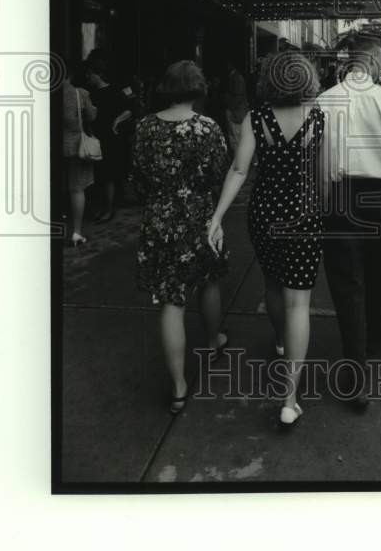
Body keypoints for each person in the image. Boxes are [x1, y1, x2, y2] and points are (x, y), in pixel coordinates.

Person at [208, 51, 325, 427]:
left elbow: (240, 169)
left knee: (273, 282)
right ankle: (290, 399)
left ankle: (279, 340)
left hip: (265, 213)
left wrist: (217, 215)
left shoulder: (255, 118)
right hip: (305, 214)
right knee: (300, 304)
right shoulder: (320, 117)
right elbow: (328, 172)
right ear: (307, 78)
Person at [317, 35, 381, 410]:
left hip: (343, 199)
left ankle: (355, 371)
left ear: (349, 62)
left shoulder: (325, 101)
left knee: (347, 281)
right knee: (380, 270)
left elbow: (322, 164)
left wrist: (326, 202)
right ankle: (374, 338)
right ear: (374, 64)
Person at [133, 61, 230, 414]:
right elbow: (221, 174)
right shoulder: (207, 128)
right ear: (199, 89)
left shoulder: (144, 127)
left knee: (170, 299)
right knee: (209, 281)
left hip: (160, 217)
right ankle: (213, 340)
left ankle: (177, 386)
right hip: (200, 216)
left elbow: (138, 177)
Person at [84, 56, 134, 221]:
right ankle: (103, 207)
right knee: (100, 175)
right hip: (97, 138)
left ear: (98, 74)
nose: (88, 76)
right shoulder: (90, 93)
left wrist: (116, 122)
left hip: (111, 139)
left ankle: (109, 209)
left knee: (109, 175)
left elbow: (129, 110)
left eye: (90, 74)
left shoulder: (114, 91)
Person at [61, 68, 98, 246]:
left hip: (53, 146)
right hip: (76, 146)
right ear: (70, 74)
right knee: (76, 188)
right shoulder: (79, 94)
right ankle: (76, 232)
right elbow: (91, 116)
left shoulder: (47, 93)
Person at [222, 60, 249, 154]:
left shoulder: (237, 77)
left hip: (236, 112)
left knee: (237, 137)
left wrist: (231, 108)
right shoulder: (234, 76)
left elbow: (239, 96)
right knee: (234, 137)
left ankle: (240, 159)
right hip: (234, 110)